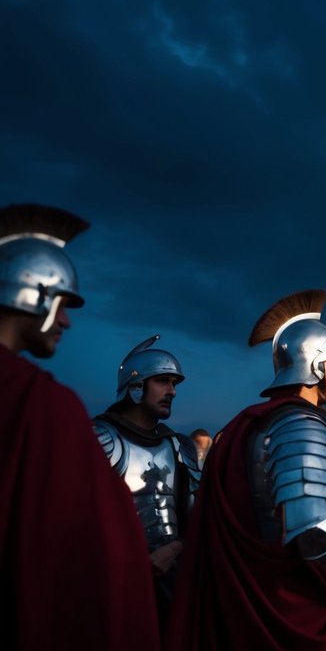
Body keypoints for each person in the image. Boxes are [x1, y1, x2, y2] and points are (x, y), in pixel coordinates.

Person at [167, 289, 326, 650]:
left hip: (244, 594)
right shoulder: (301, 425)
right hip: (284, 599)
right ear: (314, 364)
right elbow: (314, 527)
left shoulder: (251, 423)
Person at [0, 203, 159, 650]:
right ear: (33, 294)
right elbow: (95, 546)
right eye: (63, 304)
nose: (67, 321)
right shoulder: (45, 405)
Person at [93, 335, 201, 631]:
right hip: (112, 579)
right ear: (136, 386)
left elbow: (195, 517)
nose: (172, 391)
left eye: (174, 384)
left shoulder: (179, 446)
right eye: (163, 381)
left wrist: (173, 549)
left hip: (172, 579)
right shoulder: (100, 438)